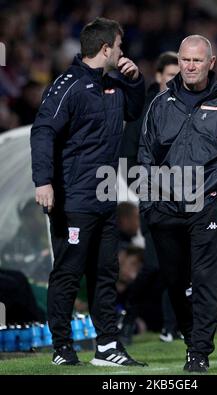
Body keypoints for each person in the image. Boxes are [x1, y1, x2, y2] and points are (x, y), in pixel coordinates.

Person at [138, 35, 217, 373]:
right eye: (185, 60)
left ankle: (199, 352)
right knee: (175, 281)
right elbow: (145, 156)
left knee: (205, 280)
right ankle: (191, 337)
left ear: (211, 63)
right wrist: (149, 201)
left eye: (196, 60)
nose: (190, 66)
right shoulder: (160, 103)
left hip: (208, 204)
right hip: (164, 207)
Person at [31, 17, 146, 367]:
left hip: (104, 198)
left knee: (105, 273)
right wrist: (43, 181)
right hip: (74, 199)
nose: (123, 52)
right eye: (120, 45)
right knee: (68, 272)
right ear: (106, 48)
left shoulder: (113, 85)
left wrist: (136, 80)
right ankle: (62, 347)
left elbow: (134, 109)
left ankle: (107, 346)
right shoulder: (67, 85)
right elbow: (43, 132)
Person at [119, 53, 182, 345]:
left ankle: (173, 326)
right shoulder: (144, 112)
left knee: (179, 264)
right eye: (169, 75)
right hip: (153, 198)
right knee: (155, 264)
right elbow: (126, 156)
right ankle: (127, 313)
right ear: (158, 76)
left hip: (183, 197)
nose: (174, 80)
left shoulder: (186, 108)